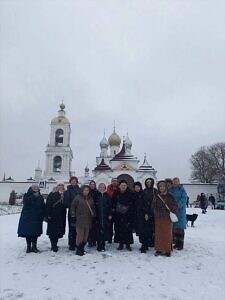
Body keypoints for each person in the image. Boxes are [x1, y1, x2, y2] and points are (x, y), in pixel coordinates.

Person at [151, 180, 178, 257]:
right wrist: (156, 212)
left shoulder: (170, 196)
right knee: (159, 234)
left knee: (167, 234)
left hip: (167, 218)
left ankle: (167, 250)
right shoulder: (156, 196)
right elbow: (153, 206)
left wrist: (171, 212)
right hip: (158, 218)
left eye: (163, 186)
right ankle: (159, 249)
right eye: (160, 186)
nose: (162, 188)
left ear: (166, 187)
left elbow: (175, 206)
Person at [17, 185, 45, 253]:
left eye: (37, 188)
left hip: (37, 217)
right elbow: (26, 203)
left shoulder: (40, 197)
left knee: (35, 233)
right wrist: (34, 196)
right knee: (28, 233)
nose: (36, 189)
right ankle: (28, 247)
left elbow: (43, 206)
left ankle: (34, 247)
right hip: (28, 217)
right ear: (31, 189)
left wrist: (44, 214)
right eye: (34, 188)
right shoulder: (27, 195)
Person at [70, 185, 96, 256]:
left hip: (88, 219)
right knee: (80, 235)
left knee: (86, 235)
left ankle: (82, 248)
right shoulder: (78, 198)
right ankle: (78, 249)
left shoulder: (90, 198)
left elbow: (93, 207)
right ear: (82, 190)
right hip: (79, 220)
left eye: (87, 190)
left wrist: (94, 214)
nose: (86, 191)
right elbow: (73, 207)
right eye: (85, 190)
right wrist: (73, 215)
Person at [112, 180, 135, 251]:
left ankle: (128, 244)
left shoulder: (130, 193)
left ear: (127, 186)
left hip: (127, 215)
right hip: (118, 215)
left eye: (124, 185)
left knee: (128, 230)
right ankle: (121, 244)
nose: (123, 187)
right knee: (119, 230)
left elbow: (133, 203)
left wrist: (127, 208)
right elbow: (113, 202)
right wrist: (115, 209)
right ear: (119, 186)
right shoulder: (116, 193)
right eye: (122, 185)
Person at [46, 184, 67, 252]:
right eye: (59, 185)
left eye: (62, 186)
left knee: (58, 232)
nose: (61, 187)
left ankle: (55, 244)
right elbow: (48, 204)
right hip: (53, 215)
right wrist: (48, 214)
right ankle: (53, 245)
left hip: (61, 216)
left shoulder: (65, 194)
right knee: (53, 232)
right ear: (56, 187)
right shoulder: (52, 194)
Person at [169, 177, 187, 250]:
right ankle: (175, 242)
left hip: (180, 211)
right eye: (174, 182)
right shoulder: (170, 190)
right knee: (174, 227)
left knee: (180, 228)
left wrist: (177, 206)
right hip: (172, 211)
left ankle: (180, 244)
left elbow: (184, 198)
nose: (175, 183)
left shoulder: (182, 190)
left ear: (179, 182)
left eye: (177, 182)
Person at [134, 182, 153, 253]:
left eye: (138, 187)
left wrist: (146, 213)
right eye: (135, 187)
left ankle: (144, 245)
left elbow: (147, 204)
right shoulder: (134, 195)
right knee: (140, 231)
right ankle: (144, 244)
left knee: (144, 231)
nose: (137, 188)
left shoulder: (144, 194)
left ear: (140, 187)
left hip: (143, 215)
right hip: (137, 216)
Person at [63, 176, 80, 250]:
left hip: (79, 212)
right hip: (71, 212)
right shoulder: (67, 191)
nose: (73, 182)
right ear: (70, 182)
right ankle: (71, 244)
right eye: (72, 181)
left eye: (75, 181)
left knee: (78, 228)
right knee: (71, 228)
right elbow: (66, 202)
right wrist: (72, 206)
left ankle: (77, 242)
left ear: (77, 182)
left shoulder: (79, 190)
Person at [95, 183, 112, 252]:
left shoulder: (107, 196)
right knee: (98, 230)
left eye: (103, 187)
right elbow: (93, 206)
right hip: (98, 216)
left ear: (105, 188)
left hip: (105, 216)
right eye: (100, 187)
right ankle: (99, 244)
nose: (102, 188)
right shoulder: (96, 195)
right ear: (98, 188)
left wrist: (110, 214)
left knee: (104, 230)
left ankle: (103, 244)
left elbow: (110, 205)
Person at [143, 178, 157, 247]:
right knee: (147, 228)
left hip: (154, 212)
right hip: (146, 212)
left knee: (154, 228)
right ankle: (147, 241)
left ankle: (153, 241)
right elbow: (142, 202)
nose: (149, 183)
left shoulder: (155, 191)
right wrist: (145, 212)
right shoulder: (144, 191)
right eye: (147, 182)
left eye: (150, 182)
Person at [107, 178, 119, 243]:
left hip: (118, 210)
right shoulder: (108, 189)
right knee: (109, 225)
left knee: (117, 225)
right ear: (111, 182)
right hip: (110, 209)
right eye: (113, 181)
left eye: (116, 181)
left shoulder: (119, 189)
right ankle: (109, 238)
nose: (114, 182)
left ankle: (117, 238)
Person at [88, 180, 98, 247]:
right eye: (91, 184)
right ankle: (89, 241)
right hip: (88, 212)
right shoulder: (87, 193)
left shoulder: (97, 192)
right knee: (89, 227)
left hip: (96, 212)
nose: (92, 185)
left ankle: (94, 240)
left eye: (93, 184)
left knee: (95, 227)